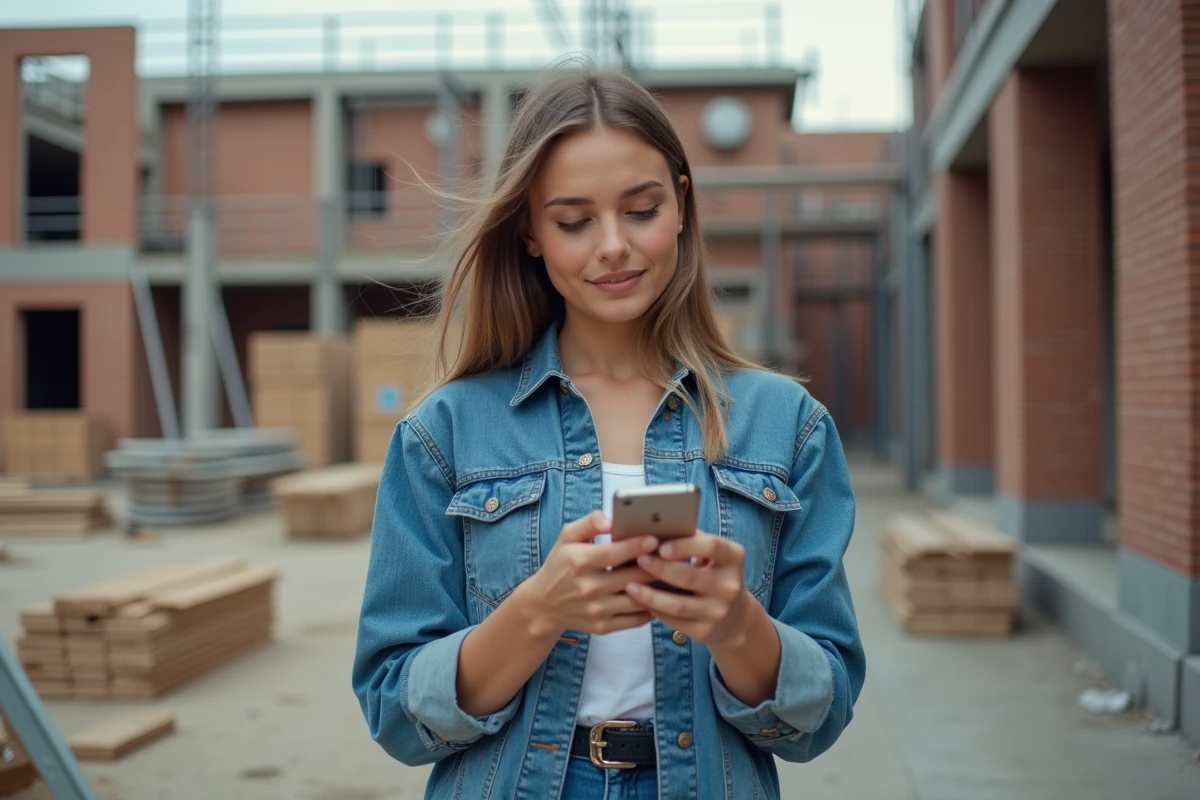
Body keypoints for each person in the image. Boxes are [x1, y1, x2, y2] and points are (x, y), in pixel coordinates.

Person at [352, 67, 865, 800]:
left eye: (642, 209)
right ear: (530, 232)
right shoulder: (444, 434)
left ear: (681, 205)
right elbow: (394, 708)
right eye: (574, 221)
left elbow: (825, 710)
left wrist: (736, 625)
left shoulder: (787, 425)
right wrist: (539, 610)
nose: (614, 245)